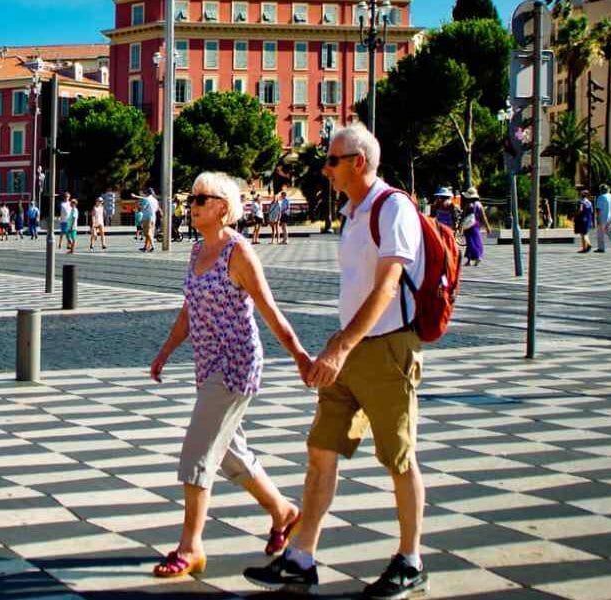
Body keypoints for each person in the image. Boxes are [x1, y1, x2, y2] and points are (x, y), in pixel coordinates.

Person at [244, 123, 429, 598]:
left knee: (398, 457)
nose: (324, 169)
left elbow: (388, 286)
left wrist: (341, 346)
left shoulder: (394, 208)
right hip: (348, 351)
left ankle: (411, 560)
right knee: (321, 449)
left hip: (387, 350)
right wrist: (339, 344)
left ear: (358, 163)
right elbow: (358, 288)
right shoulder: (354, 212)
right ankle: (302, 557)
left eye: (332, 161)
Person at [150, 171, 309, 579]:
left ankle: (191, 546)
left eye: (200, 199)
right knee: (232, 454)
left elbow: (268, 308)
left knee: (198, 452)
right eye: (192, 199)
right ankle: (284, 511)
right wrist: (165, 352)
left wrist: (300, 355)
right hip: (207, 364)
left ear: (223, 207)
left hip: (236, 364)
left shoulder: (238, 252)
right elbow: (189, 310)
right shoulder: (197, 251)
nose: (192, 205)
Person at [461, 187, 491, 266]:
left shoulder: (467, 205)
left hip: (469, 225)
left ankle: (473, 258)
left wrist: (461, 226)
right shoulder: (479, 205)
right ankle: (474, 258)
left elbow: (464, 216)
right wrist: (487, 227)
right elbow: (484, 217)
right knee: (476, 241)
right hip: (476, 225)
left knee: (470, 242)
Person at [593, 183, 611, 253]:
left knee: (600, 233)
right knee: (610, 231)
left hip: (603, 217)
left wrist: (597, 218)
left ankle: (601, 248)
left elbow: (598, 209)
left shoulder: (601, 197)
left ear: (601, 190)